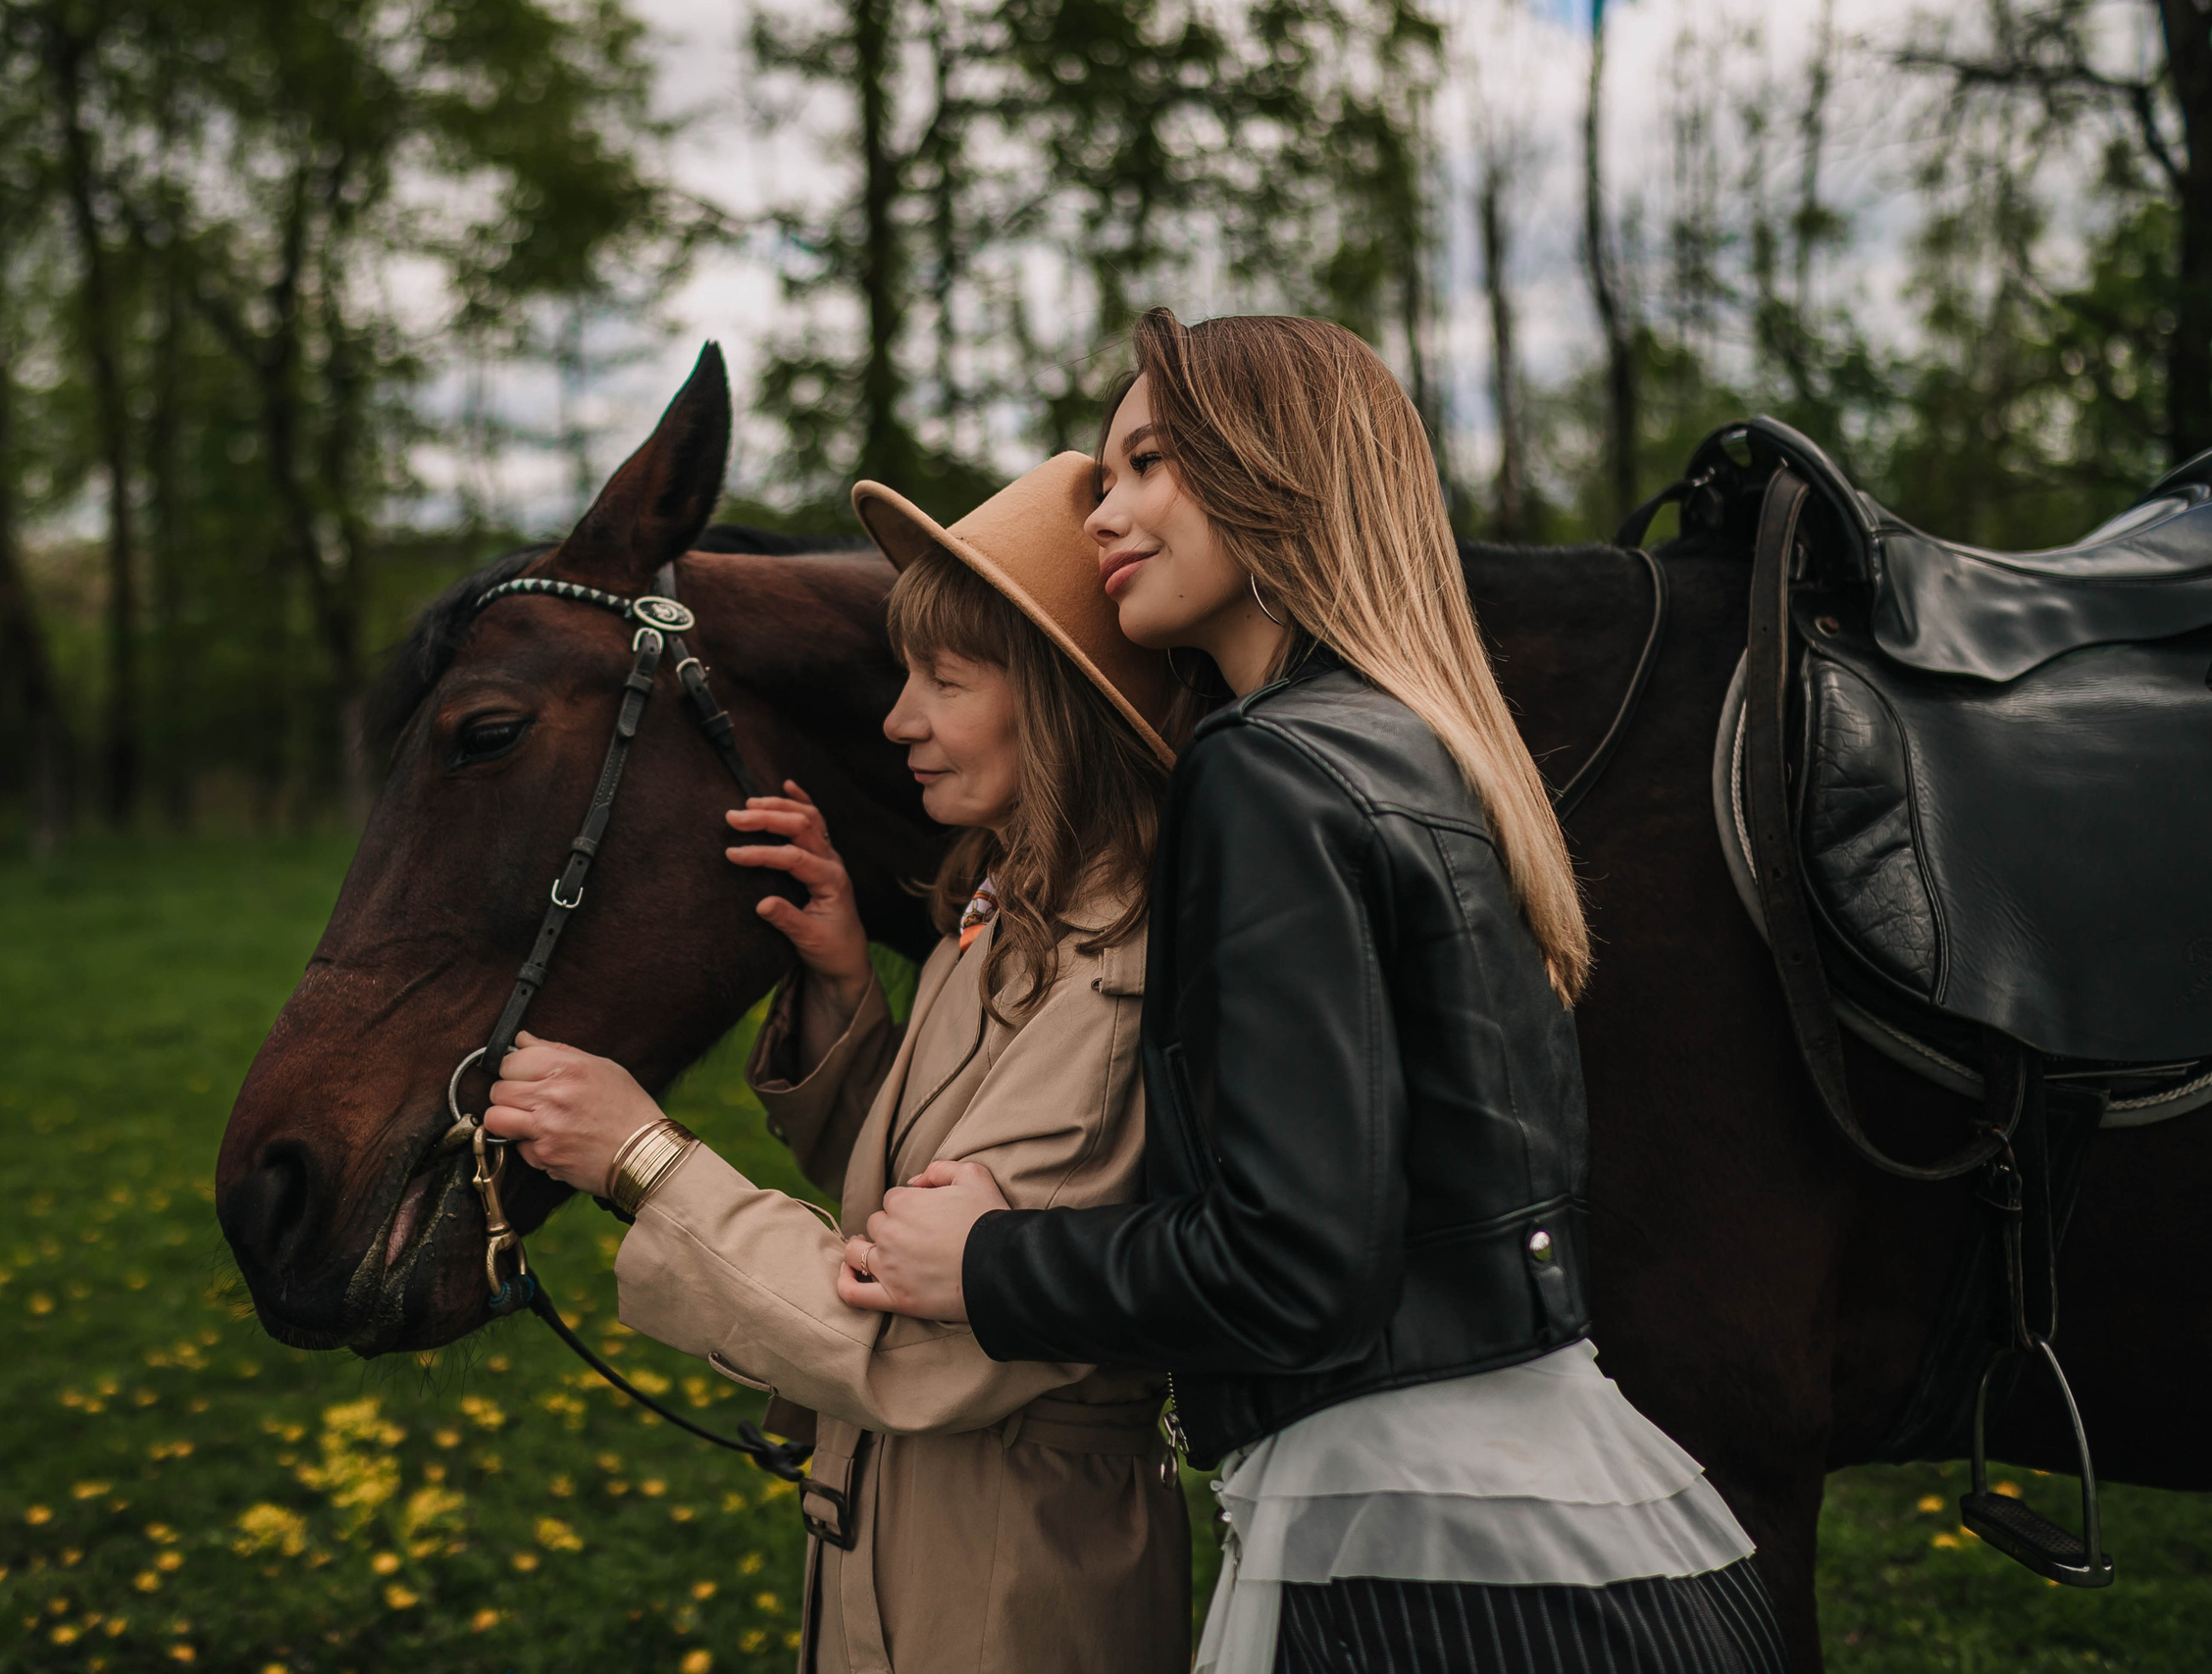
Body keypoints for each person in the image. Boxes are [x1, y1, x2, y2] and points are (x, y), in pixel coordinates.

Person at [839, 312, 1789, 1674]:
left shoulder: (1265, 771)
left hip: (1414, 1559)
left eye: (1149, 461)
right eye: (1106, 477)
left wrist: (987, 1264)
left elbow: (1295, 1269)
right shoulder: (1422, 743)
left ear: (1279, 470)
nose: (1105, 510)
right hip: (1578, 1520)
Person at [480, 453, 1193, 1674]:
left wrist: (643, 1158)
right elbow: (916, 1194)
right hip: (922, 1531)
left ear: (1060, 706)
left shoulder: (1114, 973)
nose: (897, 719)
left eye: (944, 681)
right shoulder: (1014, 907)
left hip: (1014, 1580)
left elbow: (917, 1351)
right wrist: (844, 981)